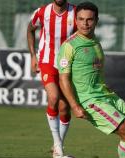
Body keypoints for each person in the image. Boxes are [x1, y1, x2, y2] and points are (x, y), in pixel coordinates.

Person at [57, 1, 125, 158]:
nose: (85, 23)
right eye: (81, 19)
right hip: (89, 100)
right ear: (75, 20)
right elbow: (63, 79)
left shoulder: (95, 42)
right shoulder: (69, 46)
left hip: (105, 95)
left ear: (96, 20)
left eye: (89, 19)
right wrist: (75, 106)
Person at [27, 0, 76, 157]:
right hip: (47, 60)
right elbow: (30, 30)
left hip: (68, 63)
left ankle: (57, 148)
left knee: (64, 107)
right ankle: (58, 147)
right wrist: (33, 56)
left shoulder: (76, 13)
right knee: (53, 97)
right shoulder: (42, 12)